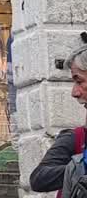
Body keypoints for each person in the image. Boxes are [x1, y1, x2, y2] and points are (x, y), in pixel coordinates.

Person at [33, 44, 87, 192]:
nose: (74, 93)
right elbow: (38, 179)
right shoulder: (75, 138)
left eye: (79, 81)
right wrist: (80, 167)